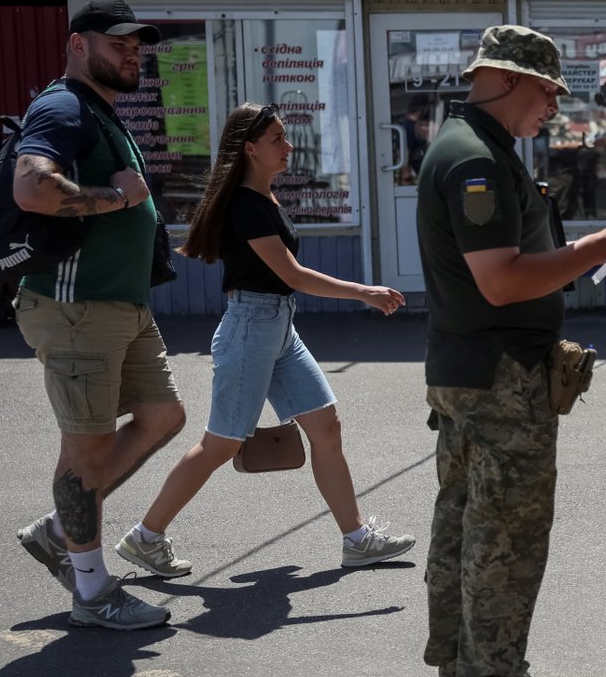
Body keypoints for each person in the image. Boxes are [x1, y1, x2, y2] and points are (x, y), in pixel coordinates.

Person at [414, 25, 606, 677]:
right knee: (505, 534)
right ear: (507, 78)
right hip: (498, 377)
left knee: (463, 522)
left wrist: (577, 251)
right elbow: (502, 281)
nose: (553, 105)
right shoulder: (476, 161)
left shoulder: (476, 148)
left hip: (472, 370)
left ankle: (463, 671)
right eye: (548, 90)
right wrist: (597, 248)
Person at [115, 103, 416, 580]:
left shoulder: (264, 197)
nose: (288, 146)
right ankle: (146, 537)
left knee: (327, 426)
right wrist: (364, 291)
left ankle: (356, 540)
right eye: (278, 138)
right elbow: (291, 275)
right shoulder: (246, 206)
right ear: (250, 147)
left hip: (278, 327)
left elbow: (284, 282)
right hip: (252, 328)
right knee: (220, 444)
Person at [11, 0, 186, 631]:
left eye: (137, 44)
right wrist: (117, 199)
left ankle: (60, 530)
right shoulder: (62, 106)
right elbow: (31, 186)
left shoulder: (101, 112)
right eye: (118, 43)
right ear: (78, 44)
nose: (132, 52)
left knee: (164, 416)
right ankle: (92, 591)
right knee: (85, 448)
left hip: (120, 304)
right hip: (76, 305)